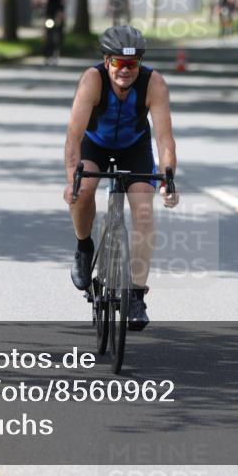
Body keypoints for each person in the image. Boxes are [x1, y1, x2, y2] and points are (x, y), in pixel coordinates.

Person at [63, 26, 179, 331]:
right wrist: (71, 180)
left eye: (132, 65)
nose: (125, 71)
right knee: (84, 191)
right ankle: (83, 246)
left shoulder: (154, 83)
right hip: (95, 144)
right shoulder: (92, 80)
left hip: (134, 147)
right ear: (106, 61)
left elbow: (165, 140)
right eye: (118, 63)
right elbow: (73, 137)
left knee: (143, 212)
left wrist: (168, 179)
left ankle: (136, 295)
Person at [37, 0, 67, 64]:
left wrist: (61, 11)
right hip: (49, 11)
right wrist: (40, 4)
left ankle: (57, 51)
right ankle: (46, 53)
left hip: (58, 11)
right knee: (47, 31)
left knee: (59, 29)